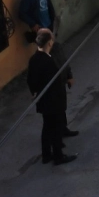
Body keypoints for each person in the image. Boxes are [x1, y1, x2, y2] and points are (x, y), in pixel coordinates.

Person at [26, 29, 75, 164]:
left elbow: (30, 80)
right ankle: (58, 155)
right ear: (49, 43)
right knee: (56, 126)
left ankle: (46, 154)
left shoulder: (34, 59)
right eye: (52, 40)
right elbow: (55, 81)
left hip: (43, 101)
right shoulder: (48, 61)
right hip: (53, 100)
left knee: (47, 127)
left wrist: (35, 92)